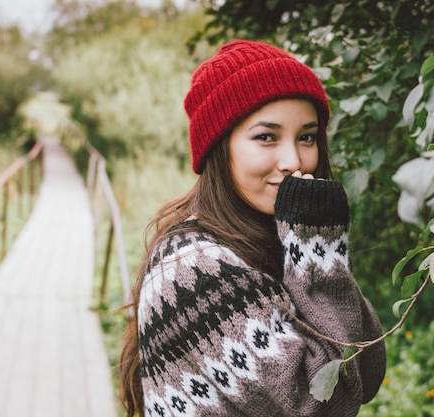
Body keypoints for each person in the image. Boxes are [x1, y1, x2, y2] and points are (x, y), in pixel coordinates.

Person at [119, 39, 386, 417]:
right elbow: (326, 402)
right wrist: (318, 255)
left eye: (306, 137)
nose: (293, 160)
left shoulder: (276, 240)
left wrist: (315, 248)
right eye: (266, 137)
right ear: (219, 147)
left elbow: (368, 369)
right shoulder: (193, 269)